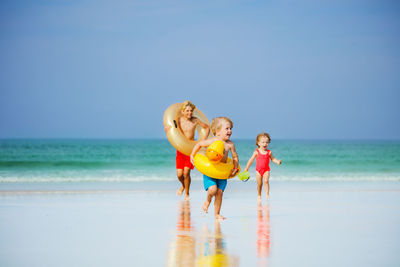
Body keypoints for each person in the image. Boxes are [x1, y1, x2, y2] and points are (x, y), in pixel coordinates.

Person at [190, 117, 239, 220]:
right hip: (210, 170)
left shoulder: (230, 145)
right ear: (217, 132)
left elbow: (234, 156)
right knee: (212, 190)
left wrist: (235, 166)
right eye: (227, 128)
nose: (229, 131)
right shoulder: (213, 141)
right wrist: (192, 155)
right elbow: (199, 144)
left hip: (222, 173)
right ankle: (208, 200)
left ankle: (217, 214)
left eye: (230, 129)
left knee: (219, 193)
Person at [165, 101, 210, 201]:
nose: (189, 113)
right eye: (187, 111)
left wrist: (203, 139)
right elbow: (172, 128)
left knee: (186, 173)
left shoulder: (195, 120)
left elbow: (207, 127)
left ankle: (187, 193)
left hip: (191, 149)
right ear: (183, 111)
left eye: (191, 111)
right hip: (181, 149)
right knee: (180, 174)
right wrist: (168, 129)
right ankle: (183, 186)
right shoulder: (179, 119)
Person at [243, 133, 282, 202]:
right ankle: (259, 195)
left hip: (266, 170)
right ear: (258, 143)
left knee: (266, 181)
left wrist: (277, 161)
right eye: (263, 142)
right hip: (258, 170)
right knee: (259, 184)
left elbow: (272, 159)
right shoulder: (256, 152)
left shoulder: (269, 152)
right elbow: (251, 160)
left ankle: (267, 194)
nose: (265, 144)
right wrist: (246, 168)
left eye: (267, 142)